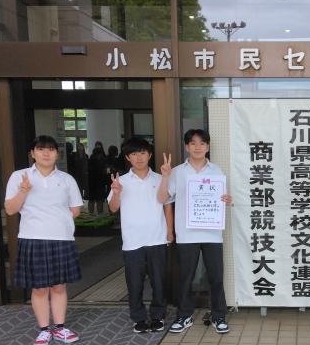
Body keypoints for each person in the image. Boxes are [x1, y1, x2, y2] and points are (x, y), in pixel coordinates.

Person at [4, 135, 83, 345]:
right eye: (40, 149)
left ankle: (60, 327)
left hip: (61, 238)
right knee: (39, 288)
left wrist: (56, 220)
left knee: (59, 286)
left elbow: (76, 209)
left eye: (51, 149)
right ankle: (44, 329)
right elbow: (10, 209)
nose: (46, 153)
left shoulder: (66, 179)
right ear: (32, 153)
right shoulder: (19, 176)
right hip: (32, 238)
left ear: (57, 153)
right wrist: (23, 191)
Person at [158, 129, 232, 334]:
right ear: (186, 147)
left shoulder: (216, 171)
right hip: (186, 233)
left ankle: (219, 316)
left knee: (216, 277)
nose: (197, 147)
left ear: (208, 147)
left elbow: (222, 198)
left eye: (202, 143)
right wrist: (165, 176)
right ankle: (184, 316)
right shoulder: (177, 172)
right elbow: (162, 198)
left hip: (212, 233)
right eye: (193, 143)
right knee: (185, 277)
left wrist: (227, 200)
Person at [108, 137, 174, 334]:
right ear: (128, 157)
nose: (139, 158)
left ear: (150, 155)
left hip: (157, 238)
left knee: (159, 282)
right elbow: (113, 208)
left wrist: (170, 231)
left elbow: (167, 206)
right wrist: (116, 193)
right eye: (134, 154)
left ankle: (158, 316)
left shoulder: (160, 178)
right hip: (132, 241)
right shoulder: (121, 181)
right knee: (134, 284)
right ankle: (138, 318)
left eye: (143, 153)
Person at [88, 141, 108, 214]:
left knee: (100, 198)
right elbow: (89, 168)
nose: (98, 147)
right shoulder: (92, 156)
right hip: (92, 180)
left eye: (99, 146)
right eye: (97, 146)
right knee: (92, 199)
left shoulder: (104, 157)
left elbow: (105, 168)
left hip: (100, 180)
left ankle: (100, 214)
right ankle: (91, 214)